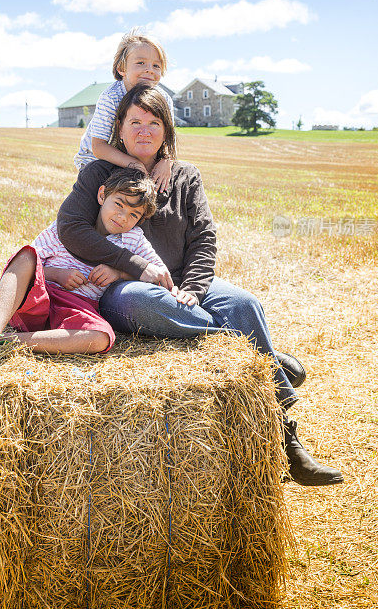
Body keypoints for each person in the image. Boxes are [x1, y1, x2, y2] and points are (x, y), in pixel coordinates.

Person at [57, 85, 344, 487]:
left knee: (244, 304)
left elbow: (204, 237)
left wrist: (193, 287)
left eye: (153, 123)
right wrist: (130, 267)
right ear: (119, 129)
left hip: (184, 286)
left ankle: (286, 440)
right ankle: (269, 360)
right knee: (146, 303)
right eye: (134, 122)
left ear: (167, 130)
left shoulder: (186, 175)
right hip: (122, 289)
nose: (143, 131)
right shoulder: (97, 175)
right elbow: (70, 229)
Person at [0, 168, 181, 389]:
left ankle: (7, 340)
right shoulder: (68, 227)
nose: (122, 217)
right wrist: (57, 274)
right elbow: (22, 269)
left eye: (133, 214)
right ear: (101, 195)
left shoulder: (133, 239)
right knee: (27, 255)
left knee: (101, 338)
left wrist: (119, 273)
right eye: (118, 204)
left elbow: (158, 273)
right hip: (40, 297)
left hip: (77, 308)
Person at [74, 29, 175, 192]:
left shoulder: (164, 99)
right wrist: (134, 164)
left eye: (156, 65)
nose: (149, 69)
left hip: (132, 156)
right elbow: (98, 147)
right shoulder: (111, 98)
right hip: (95, 158)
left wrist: (167, 161)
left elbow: (169, 138)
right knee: (102, 201)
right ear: (122, 68)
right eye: (141, 63)